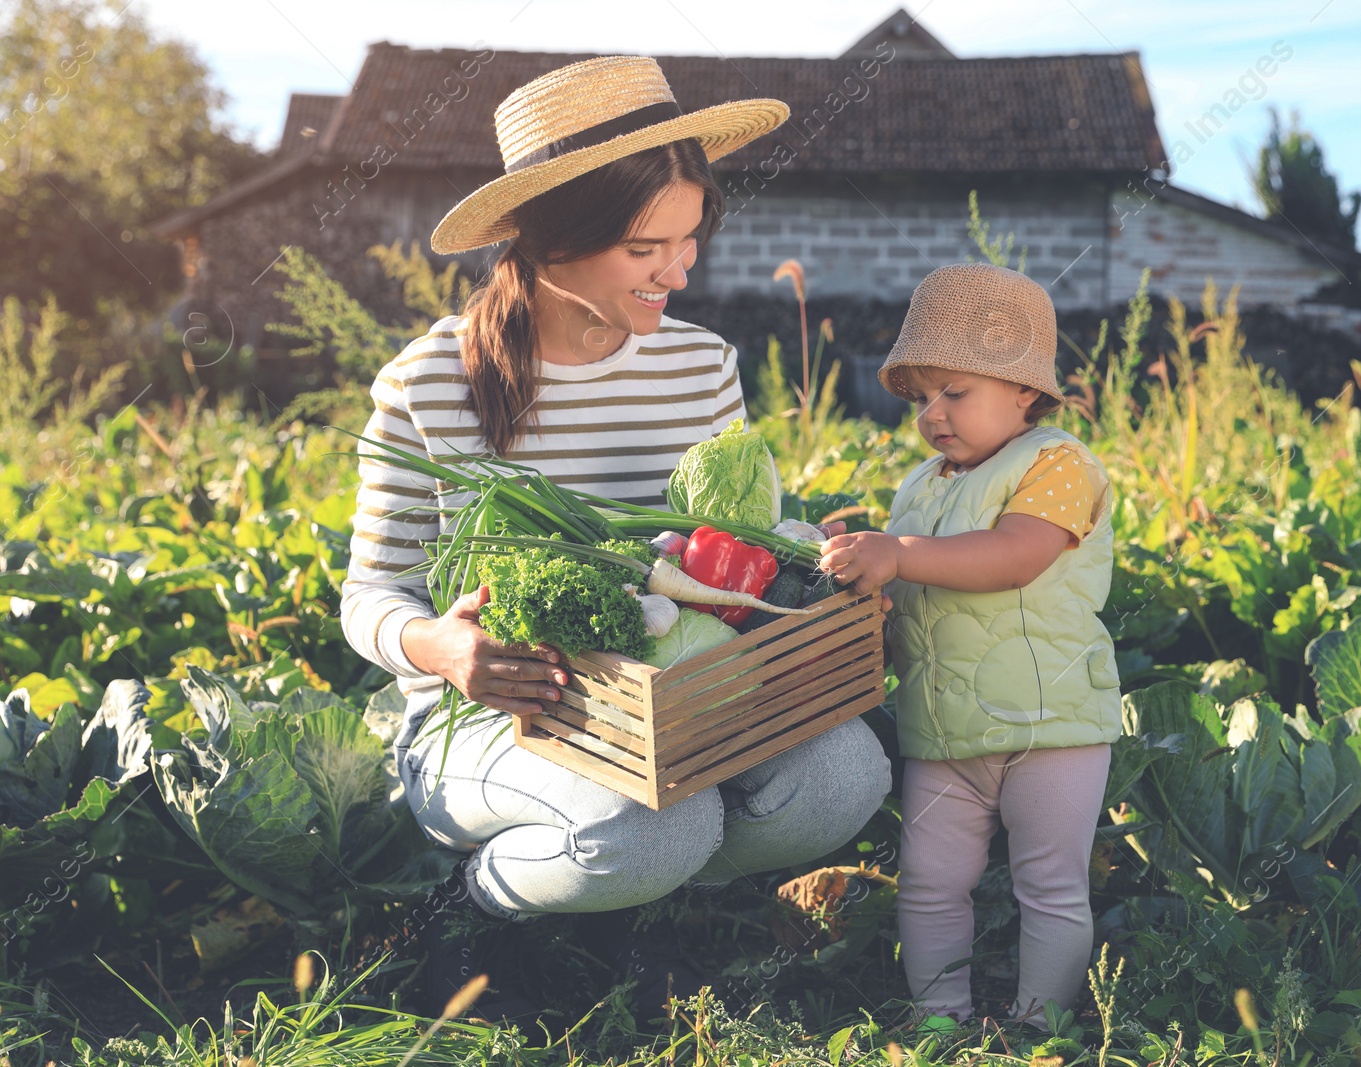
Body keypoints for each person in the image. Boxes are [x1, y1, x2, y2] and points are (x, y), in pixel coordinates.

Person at [339, 56, 891, 1015]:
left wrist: (812, 570)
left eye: (690, 239)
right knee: (651, 830)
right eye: (648, 248)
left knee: (846, 775)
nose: (680, 271)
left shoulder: (701, 365)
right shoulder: (428, 379)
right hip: (499, 711)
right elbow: (370, 596)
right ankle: (471, 912)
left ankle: (621, 908)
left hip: (673, 695)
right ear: (557, 242)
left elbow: (730, 541)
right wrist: (443, 645)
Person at [818, 263, 1121, 1030]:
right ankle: (938, 1022)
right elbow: (907, 598)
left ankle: (1037, 1024)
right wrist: (859, 575)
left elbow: (1014, 556)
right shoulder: (918, 487)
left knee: (1049, 884)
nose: (933, 414)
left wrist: (899, 552)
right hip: (943, 730)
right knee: (928, 882)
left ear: (1025, 390)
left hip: (1051, 726)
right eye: (922, 398)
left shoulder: (1059, 463)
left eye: (955, 392)